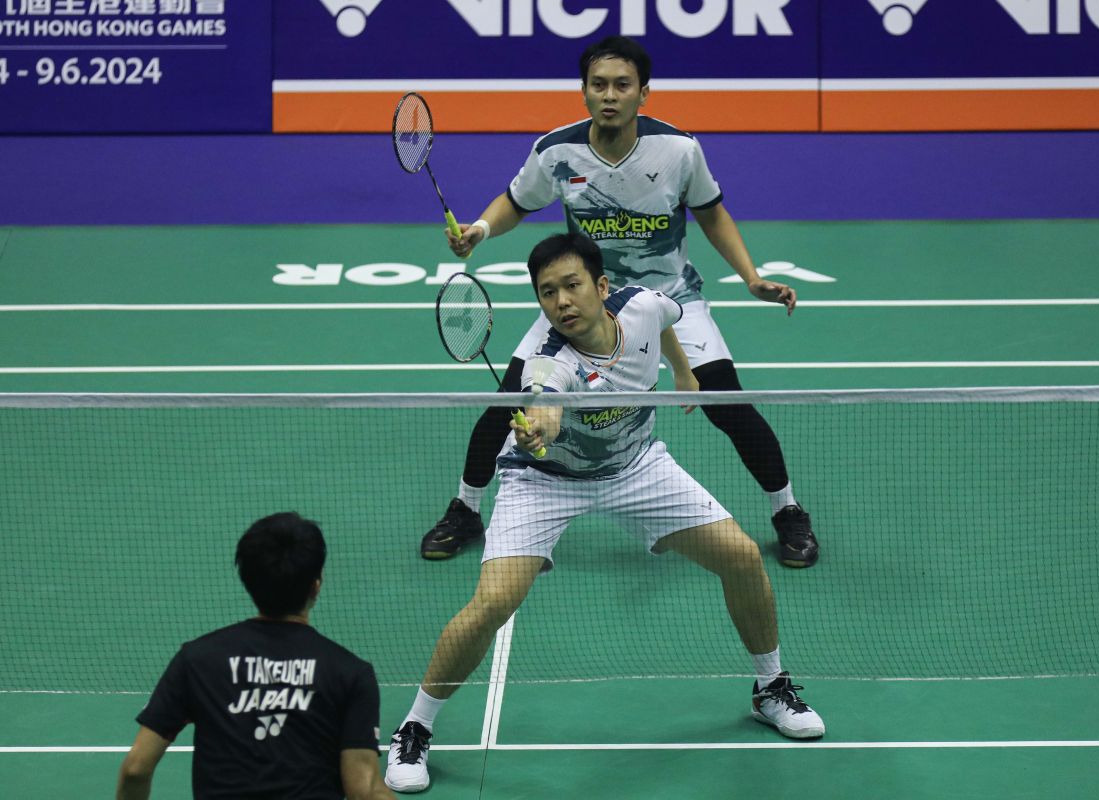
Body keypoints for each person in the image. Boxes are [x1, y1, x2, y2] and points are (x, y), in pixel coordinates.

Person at [386, 233, 824, 793]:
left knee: (741, 557)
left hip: (635, 467)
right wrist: (539, 426)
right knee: (494, 602)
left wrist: (685, 371)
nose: (561, 302)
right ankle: (415, 727)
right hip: (544, 481)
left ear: (601, 286)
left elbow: (665, 320)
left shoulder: (642, 304)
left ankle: (771, 688)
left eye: (571, 286)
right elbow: (543, 398)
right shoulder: (548, 360)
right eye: (547, 293)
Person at [423, 35, 818, 569]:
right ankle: (466, 509)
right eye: (598, 85)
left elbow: (711, 211)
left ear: (643, 94)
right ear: (584, 92)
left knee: (728, 404)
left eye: (622, 86)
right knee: (507, 402)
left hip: (670, 297)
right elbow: (517, 202)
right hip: (586, 303)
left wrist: (750, 277)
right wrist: (482, 229)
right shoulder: (557, 152)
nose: (609, 95)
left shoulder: (679, 150)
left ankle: (788, 511)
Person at [116, 513, 392, 800]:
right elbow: (365, 791)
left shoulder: (197, 660)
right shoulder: (350, 673)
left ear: (247, 580)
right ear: (316, 585)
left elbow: (136, 769)